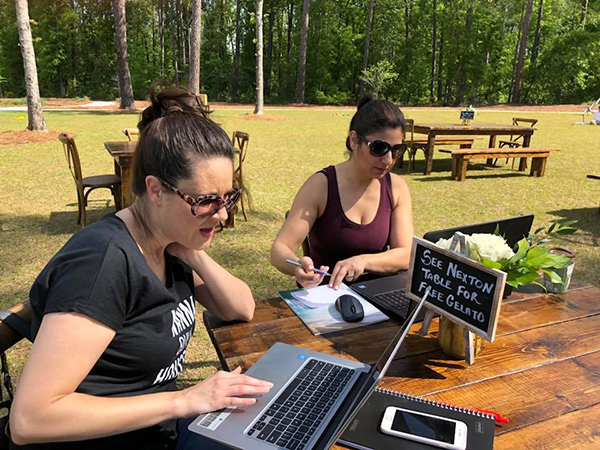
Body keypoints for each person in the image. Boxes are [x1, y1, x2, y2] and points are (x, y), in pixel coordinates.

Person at [9, 84, 273, 449]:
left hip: (159, 434)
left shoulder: (168, 242)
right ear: (155, 190)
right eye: (205, 201)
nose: (223, 214)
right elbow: (30, 419)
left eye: (228, 197)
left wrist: (194, 251)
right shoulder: (102, 264)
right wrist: (184, 400)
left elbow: (240, 308)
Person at [270, 94, 414, 290]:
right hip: (325, 297)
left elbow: (405, 254)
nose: (388, 160)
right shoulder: (321, 185)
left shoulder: (396, 188)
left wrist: (362, 262)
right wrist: (297, 267)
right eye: (379, 148)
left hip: (377, 297)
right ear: (354, 140)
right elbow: (279, 250)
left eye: (396, 150)